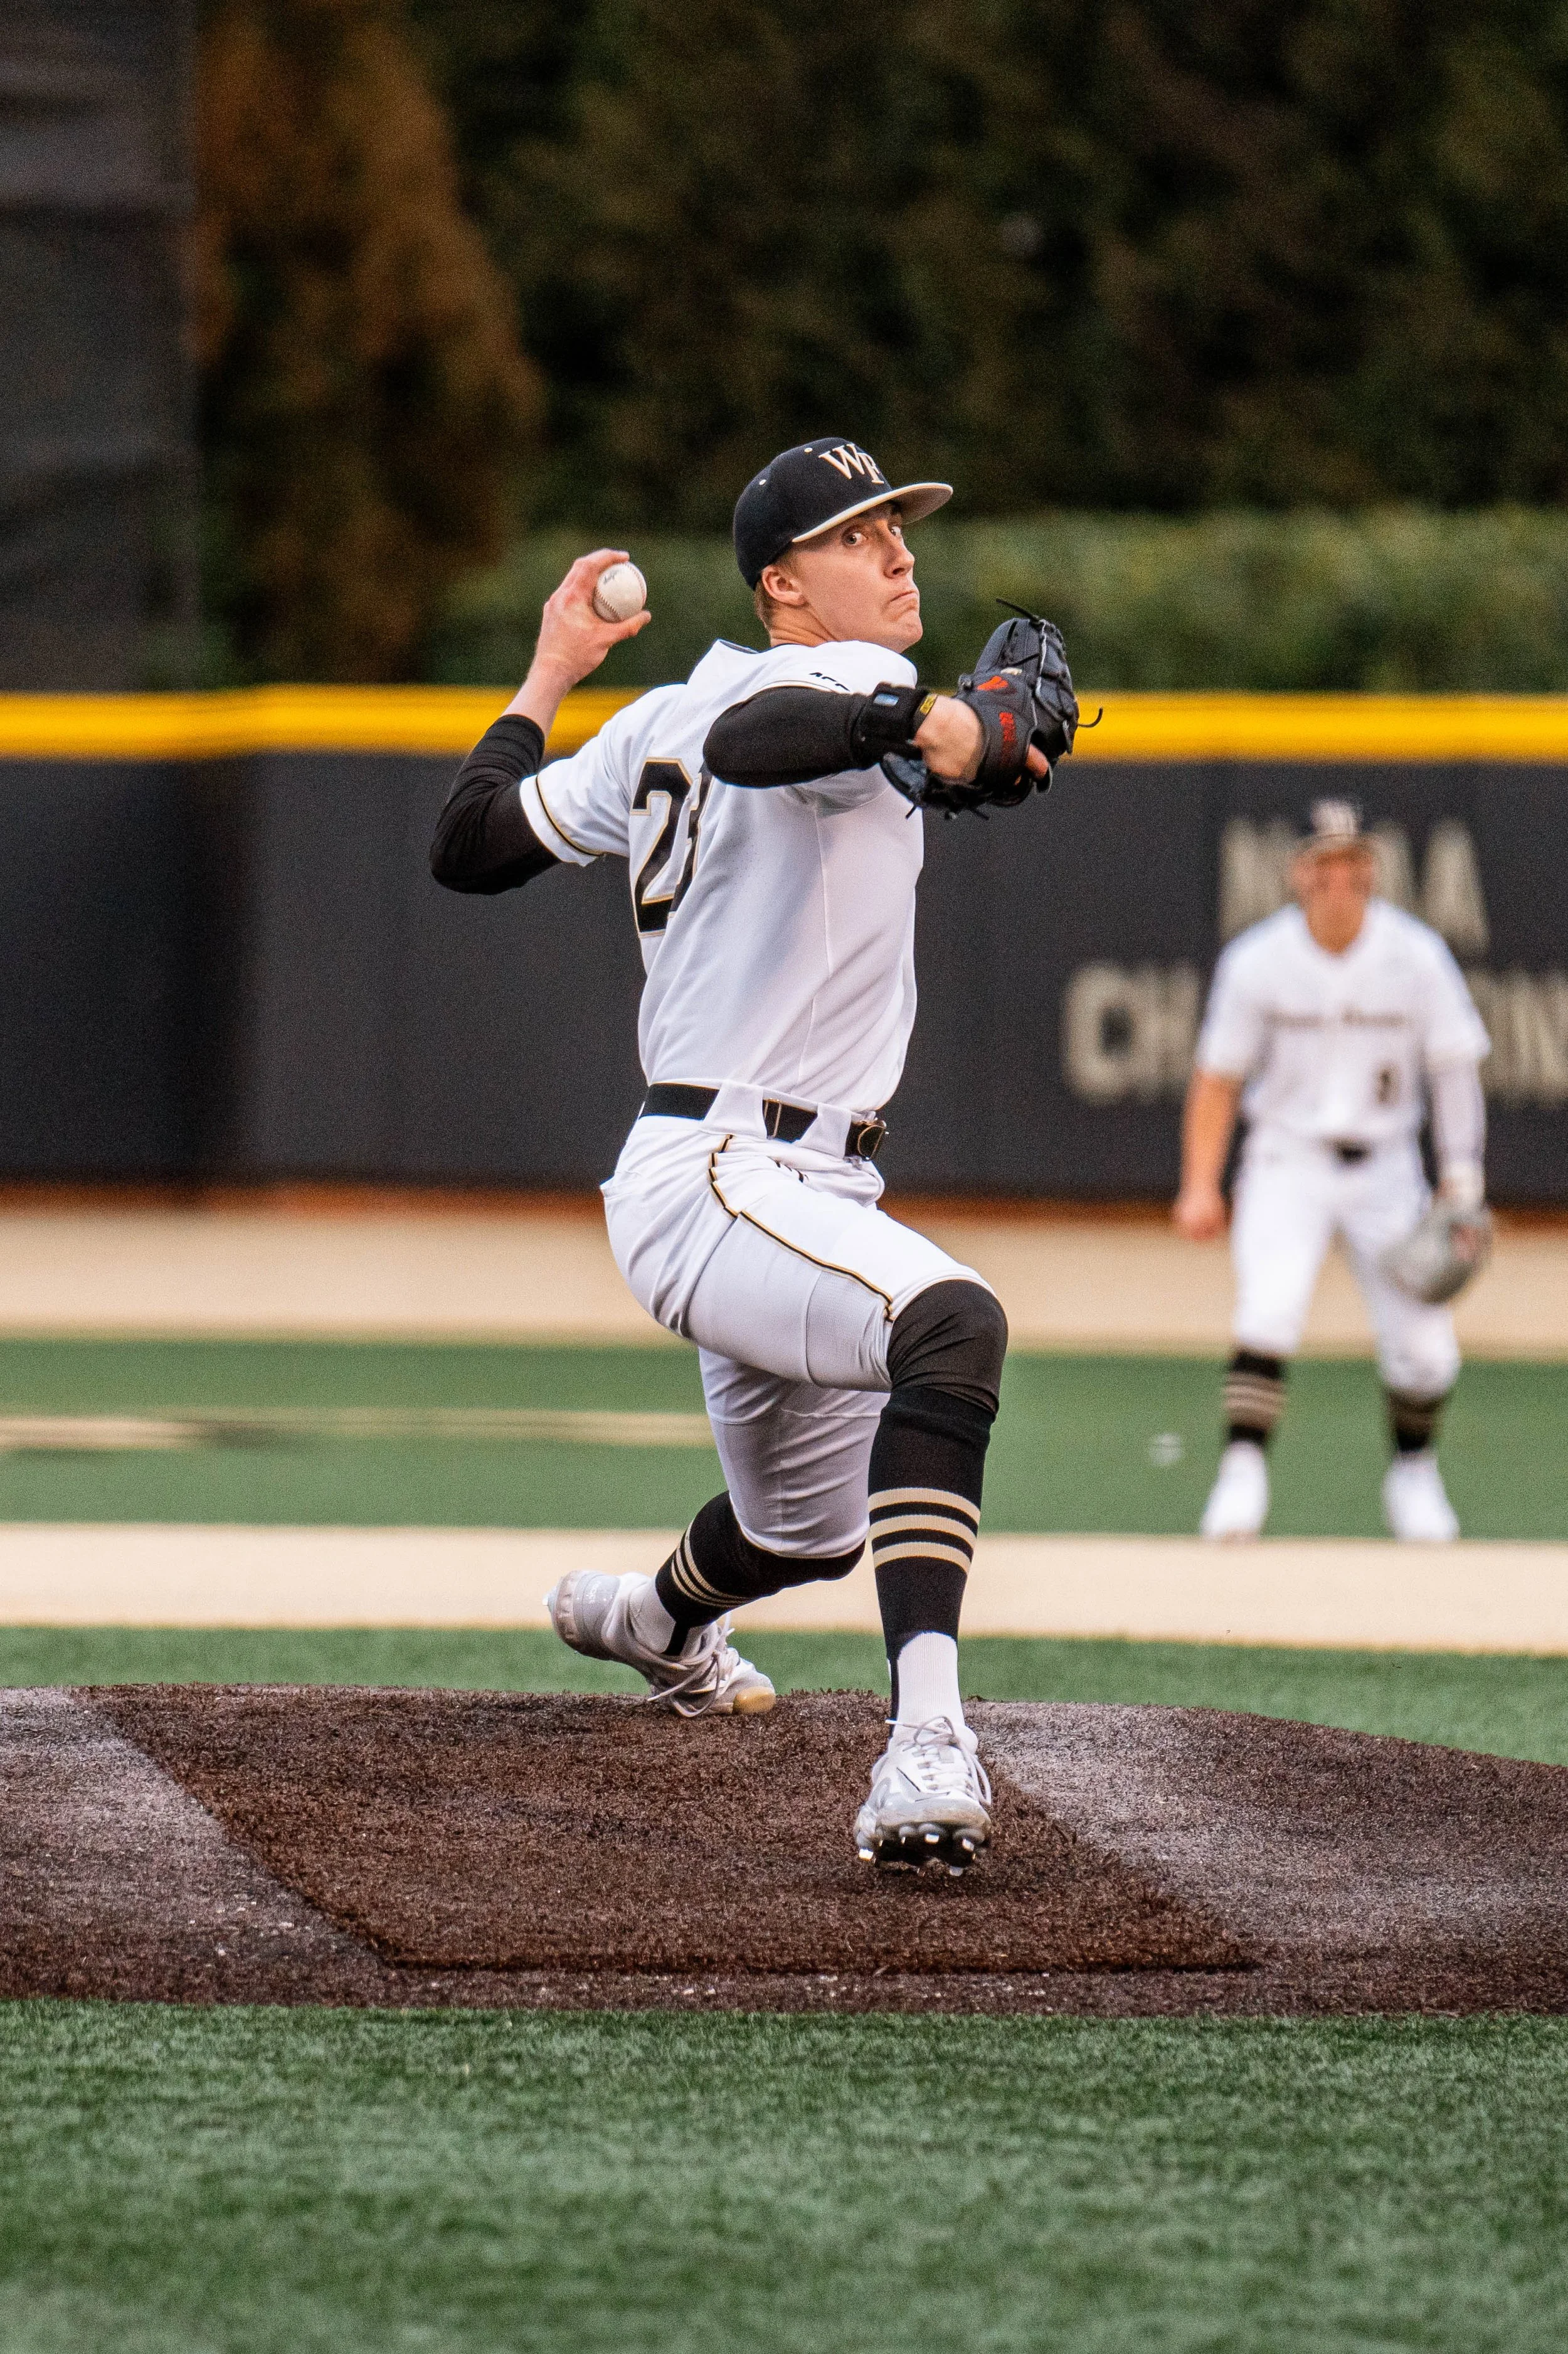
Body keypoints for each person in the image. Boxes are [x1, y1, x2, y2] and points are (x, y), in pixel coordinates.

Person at [430, 437, 1067, 1870]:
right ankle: (925, 1741)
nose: (899, 551)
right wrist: (954, 731)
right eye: (861, 535)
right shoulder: (817, 691)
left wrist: (549, 674)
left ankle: (651, 1621)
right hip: (725, 1169)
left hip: (772, 1180)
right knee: (952, 1329)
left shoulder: (654, 714)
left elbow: (471, 841)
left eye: (902, 526)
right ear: (786, 585)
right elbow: (764, 741)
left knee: (810, 1529)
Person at [1173, 799, 1490, 1542]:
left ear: (1371, 873)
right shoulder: (1259, 959)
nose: (1338, 879)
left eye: (1352, 865)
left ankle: (1413, 1472)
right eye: (1324, 865)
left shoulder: (1415, 955)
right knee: (1267, 1311)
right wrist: (1198, 1182)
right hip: (1288, 1159)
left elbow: (1453, 1070)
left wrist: (1463, 1174)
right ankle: (1241, 1470)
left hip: (1386, 1166)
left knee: (1423, 1345)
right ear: (1300, 874)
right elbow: (1216, 1077)